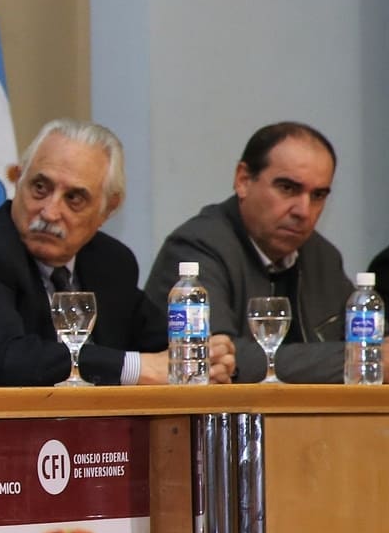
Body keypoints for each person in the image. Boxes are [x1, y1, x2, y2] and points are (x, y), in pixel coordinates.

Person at [0, 118, 235, 386]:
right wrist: (136, 368)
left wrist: (204, 357)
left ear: (108, 208)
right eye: (40, 187)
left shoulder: (111, 262)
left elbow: (162, 343)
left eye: (74, 197)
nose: (50, 211)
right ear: (18, 179)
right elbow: (12, 359)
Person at [145, 122, 348, 383]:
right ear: (243, 180)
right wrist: (359, 359)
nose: (303, 211)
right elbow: (218, 357)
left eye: (318, 195)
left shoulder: (322, 256)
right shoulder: (196, 246)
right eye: (288, 188)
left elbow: (374, 339)